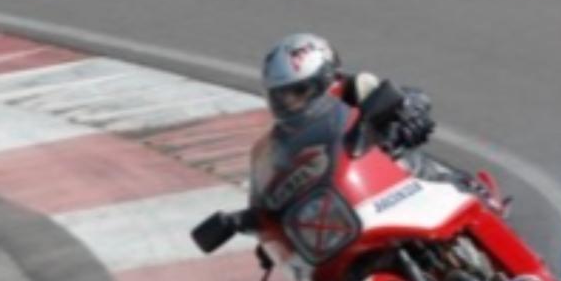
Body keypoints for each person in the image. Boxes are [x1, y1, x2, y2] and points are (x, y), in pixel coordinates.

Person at [198, 33, 501, 239]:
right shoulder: (278, 144)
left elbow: (410, 97)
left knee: (409, 161)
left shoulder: (357, 87)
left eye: (299, 92)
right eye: (282, 96)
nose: (291, 103)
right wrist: (253, 223)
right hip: (348, 211)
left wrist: (409, 114)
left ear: (326, 79)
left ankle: (474, 193)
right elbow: (264, 196)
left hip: (395, 182)